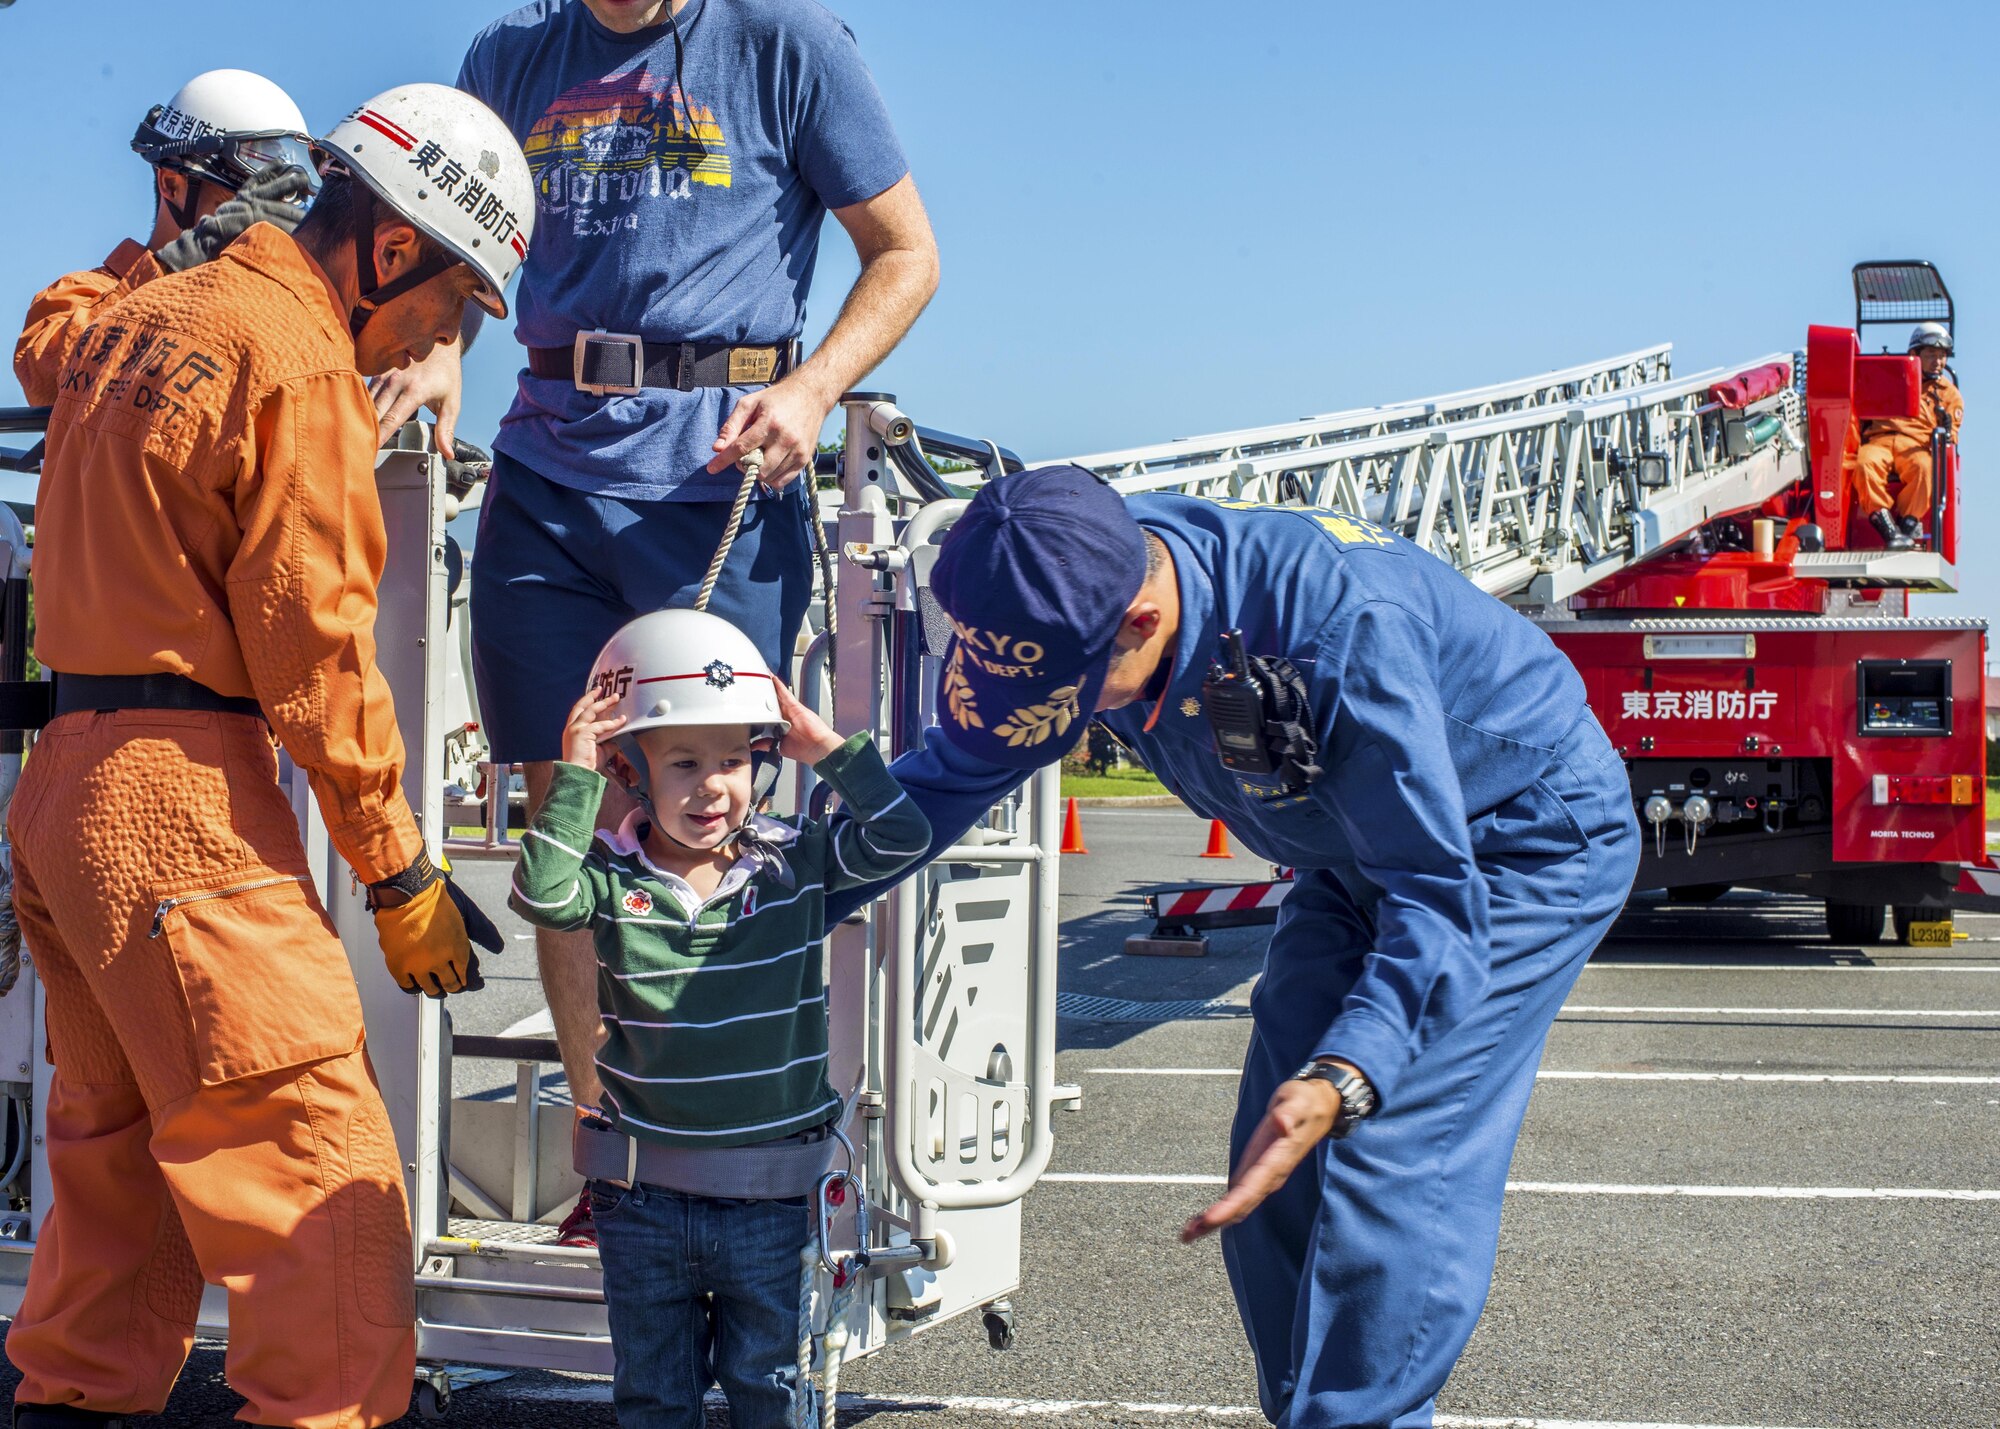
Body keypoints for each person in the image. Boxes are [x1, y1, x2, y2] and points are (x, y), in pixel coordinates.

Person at [828, 467, 1641, 1429]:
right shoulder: (1055, 585)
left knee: (1386, 1148)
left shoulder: (1339, 632)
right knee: (1270, 1156)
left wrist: (1349, 1068)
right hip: (1349, 854)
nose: (1063, 716)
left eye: (1069, 692)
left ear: (1139, 619)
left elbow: (1435, 890)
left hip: (1513, 845)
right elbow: (955, 772)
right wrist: (768, 906)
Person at [2, 84, 527, 1429]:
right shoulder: (294, 357)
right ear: (394, 249)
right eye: (457, 306)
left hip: (67, 785)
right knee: (322, 1191)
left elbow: (49, 337)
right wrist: (399, 872)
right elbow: (315, 649)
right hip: (183, 812)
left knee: (127, 1181)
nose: (445, 337)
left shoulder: (128, 325)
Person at [374, 0, 939, 1245]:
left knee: (709, 827)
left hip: (718, 480)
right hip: (545, 475)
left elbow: (905, 253)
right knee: (568, 818)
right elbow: (465, 251)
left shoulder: (789, 45)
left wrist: (814, 382)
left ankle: (735, 1151)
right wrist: (447, 343)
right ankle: (609, 1157)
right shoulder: (506, 60)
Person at [509, 607, 929, 1429]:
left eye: (735, 759)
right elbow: (541, 894)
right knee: (655, 1399)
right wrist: (575, 775)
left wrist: (829, 750)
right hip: (644, 1205)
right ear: (631, 773)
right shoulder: (608, 876)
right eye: (685, 762)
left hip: (772, 1203)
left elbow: (903, 834)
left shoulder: (793, 863)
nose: (713, 785)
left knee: (772, 1392)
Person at [13, 68, 319, 405]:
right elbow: (44, 378)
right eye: (235, 211)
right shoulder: (81, 296)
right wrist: (178, 263)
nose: (253, 234)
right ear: (172, 184)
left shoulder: (269, 322)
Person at [1852, 321, 1963, 551]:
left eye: (1942, 356)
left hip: (1915, 446)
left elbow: (1951, 436)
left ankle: (1906, 524)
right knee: (1864, 464)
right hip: (1879, 440)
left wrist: (1947, 429)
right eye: (1932, 354)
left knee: (1926, 469)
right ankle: (1887, 528)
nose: (1938, 361)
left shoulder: (1949, 394)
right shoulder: (1888, 376)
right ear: (1914, 354)